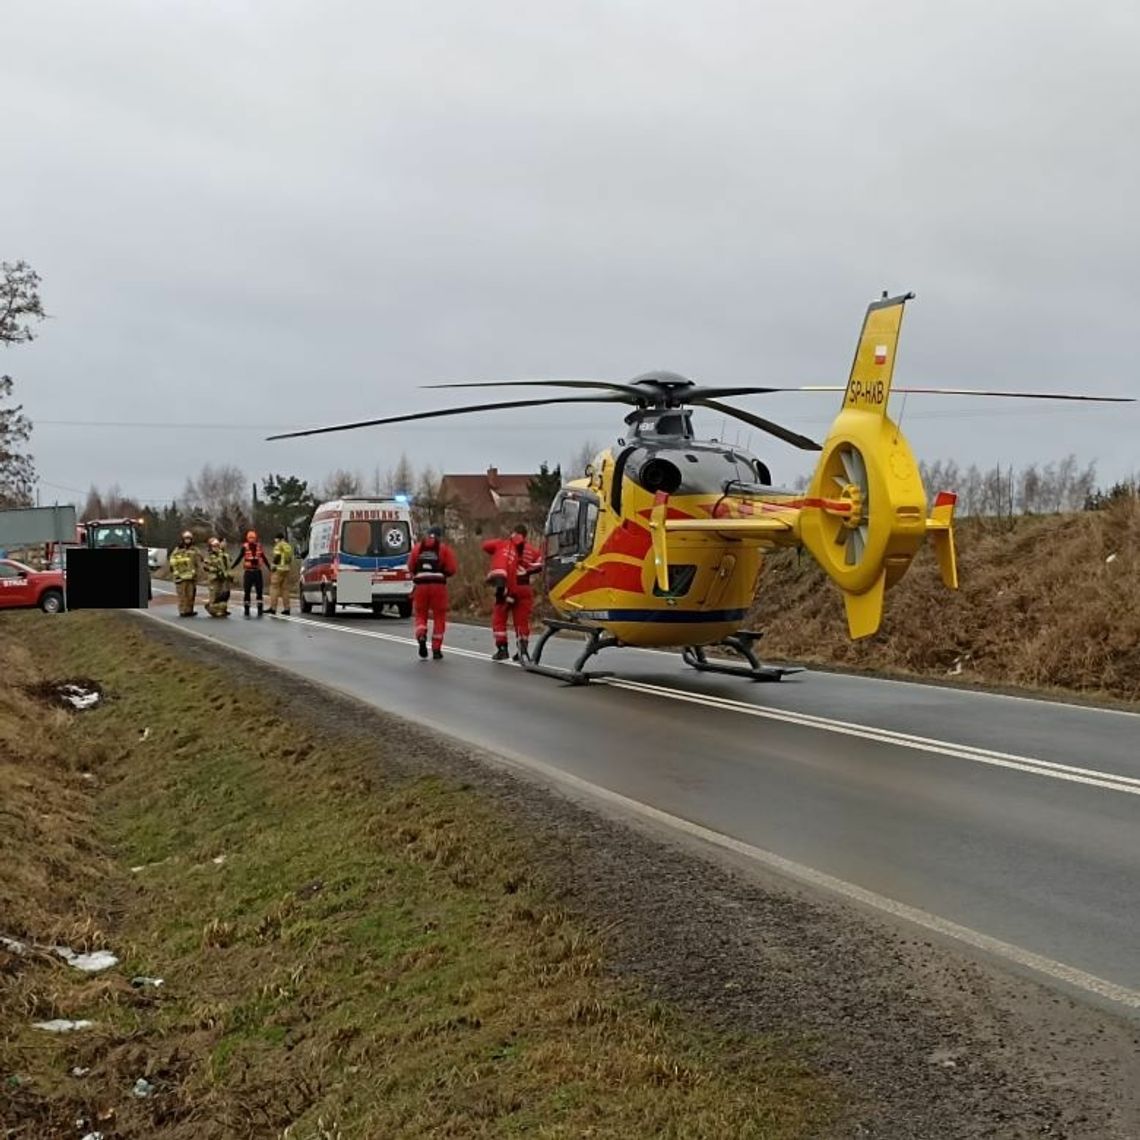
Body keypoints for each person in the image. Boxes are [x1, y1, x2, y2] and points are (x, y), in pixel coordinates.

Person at [482, 524, 543, 661]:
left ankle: (502, 649)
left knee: (499, 617)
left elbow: (486, 546)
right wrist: (528, 570)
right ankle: (522, 650)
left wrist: (502, 540)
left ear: (513, 533)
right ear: (526, 536)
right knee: (522, 621)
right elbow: (541, 563)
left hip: (508, 586)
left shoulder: (505, 545)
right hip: (525, 587)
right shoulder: (531, 550)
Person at [406, 524, 457, 660]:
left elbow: (410, 565)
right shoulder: (444, 549)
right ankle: (436, 649)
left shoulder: (418, 548)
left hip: (421, 586)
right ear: (440, 536)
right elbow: (452, 568)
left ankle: (421, 635)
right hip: (438, 586)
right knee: (439, 616)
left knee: (420, 614)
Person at [232, 529, 271, 617]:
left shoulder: (259, 547)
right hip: (248, 572)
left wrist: (269, 568)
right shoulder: (245, 547)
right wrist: (232, 567)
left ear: (255, 538)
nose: (251, 539)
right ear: (247, 538)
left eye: (253, 538)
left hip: (257, 572)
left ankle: (260, 609)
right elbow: (239, 557)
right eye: (250, 538)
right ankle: (246, 610)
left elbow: (264, 558)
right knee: (247, 591)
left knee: (259, 591)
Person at [169, 531, 200, 617]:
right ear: (183, 539)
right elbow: (172, 561)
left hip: (191, 576)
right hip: (181, 576)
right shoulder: (178, 549)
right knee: (182, 595)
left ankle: (189, 610)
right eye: (186, 538)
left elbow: (200, 559)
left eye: (189, 538)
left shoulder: (194, 549)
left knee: (191, 595)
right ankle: (183, 611)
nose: (188, 540)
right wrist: (176, 572)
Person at [203, 537, 233, 617]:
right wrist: (215, 570)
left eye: (217, 546)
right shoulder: (209, 556)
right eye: (214, 546)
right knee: (214, 596)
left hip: (222, 579)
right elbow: (206, 567)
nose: (216, 548)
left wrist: (228, 575)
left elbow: (227, 565)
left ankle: (222, 610)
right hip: (214, 579)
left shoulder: (222, 555)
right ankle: (211, 608)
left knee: (223, 595)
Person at [267, 531, 294, 616]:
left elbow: (277, 556)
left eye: (275, 539)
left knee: (274, 588)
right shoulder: (288, 546)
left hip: (278, 569)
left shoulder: (278, 546)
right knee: (285, 590)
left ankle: (273, 608)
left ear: (278, 539)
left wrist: (273, 566)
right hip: (286, 569)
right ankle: (287, 608)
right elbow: (290, 559)